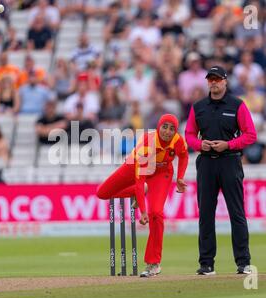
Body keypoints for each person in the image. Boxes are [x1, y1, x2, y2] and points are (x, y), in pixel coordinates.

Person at [185, 65, 257, 275]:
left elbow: (250, 135)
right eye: (211, 79)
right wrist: (200, 145)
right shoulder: (198, 107)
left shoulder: (237, 105)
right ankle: (206, 264)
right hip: (207, 162)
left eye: (217, 79)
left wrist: (229, 145)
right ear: (207, 82)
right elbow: (189, 134)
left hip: (230, 161)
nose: (214, 82)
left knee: (237, 213)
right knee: (205, 214)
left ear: (225, 81)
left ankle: (243, 262)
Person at [97, 114, 189, 277]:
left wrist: (180, 177)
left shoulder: (178, 140)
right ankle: (137, 196)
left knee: (157, 214)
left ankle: (153, 263)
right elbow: (140, 182)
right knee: (102, 193)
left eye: (172, 128)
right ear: (158, 127)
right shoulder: (148, 144)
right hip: (134, 167)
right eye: (164, 127)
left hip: (162, 173)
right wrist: (143, 211)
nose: (167, 132)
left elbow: (183, 156)